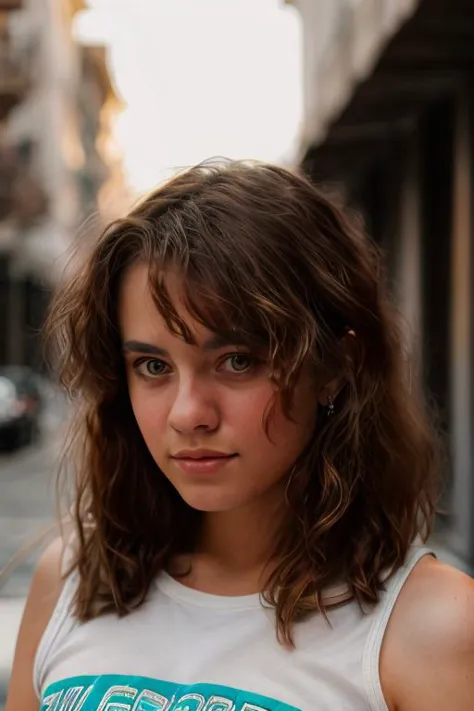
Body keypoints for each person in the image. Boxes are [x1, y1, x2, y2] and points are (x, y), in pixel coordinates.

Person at [6, 160, 474, 711]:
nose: (188, 414)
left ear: (335, 368)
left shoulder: (436, 629)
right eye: (153, 367)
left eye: (236, 360)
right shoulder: (71, 582)